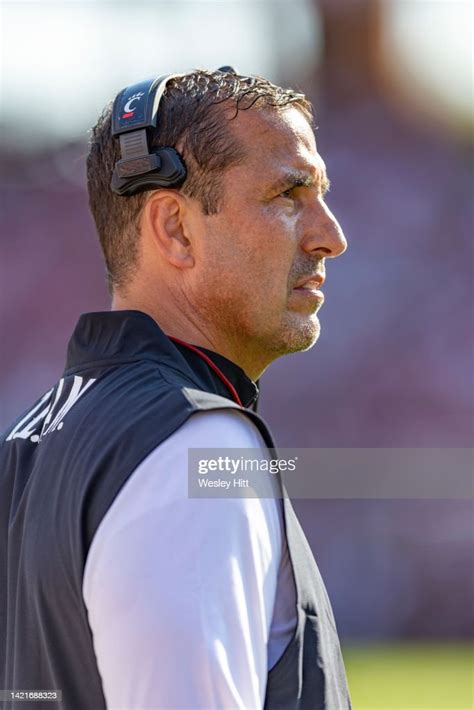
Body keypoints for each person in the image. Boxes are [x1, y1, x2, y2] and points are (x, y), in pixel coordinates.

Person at [0, 69, 351, 709]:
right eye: (288, 195)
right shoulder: (197, 443)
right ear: (175, 229)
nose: (331, 235)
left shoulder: (27, 438)